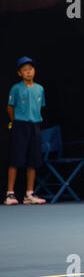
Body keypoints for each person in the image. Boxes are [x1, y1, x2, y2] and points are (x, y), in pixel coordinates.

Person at [5, 57, 46, 205]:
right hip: (20, 126)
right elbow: (10, 107)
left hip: (35, 126)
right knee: (15, 159)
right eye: (25, 70)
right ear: (20, 73)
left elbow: (40, 107)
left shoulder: (40, 89)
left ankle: (29, 194)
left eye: (31, 69)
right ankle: (10, 194)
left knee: (33, 160)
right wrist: (14, 122)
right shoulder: (16, 88)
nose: (29, 72)